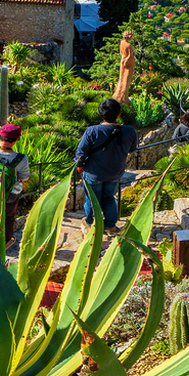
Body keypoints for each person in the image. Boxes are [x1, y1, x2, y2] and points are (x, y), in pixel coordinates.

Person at [75, 32, 139, 232]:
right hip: (115, 172)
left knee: (92, 199)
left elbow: (81, 152)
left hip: (93, 173)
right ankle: (111, 226)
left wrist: (79, 166)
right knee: (109, 198)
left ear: (100, 113)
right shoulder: (129, 131)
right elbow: (132, 149)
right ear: (118, 115)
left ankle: (91, 223)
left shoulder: (92, 131)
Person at [0, 123, 30, 243]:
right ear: (16, 140)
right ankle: (4, 241)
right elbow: (24, 178)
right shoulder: (21, 158)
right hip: (7, 194)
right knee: (8, 217)